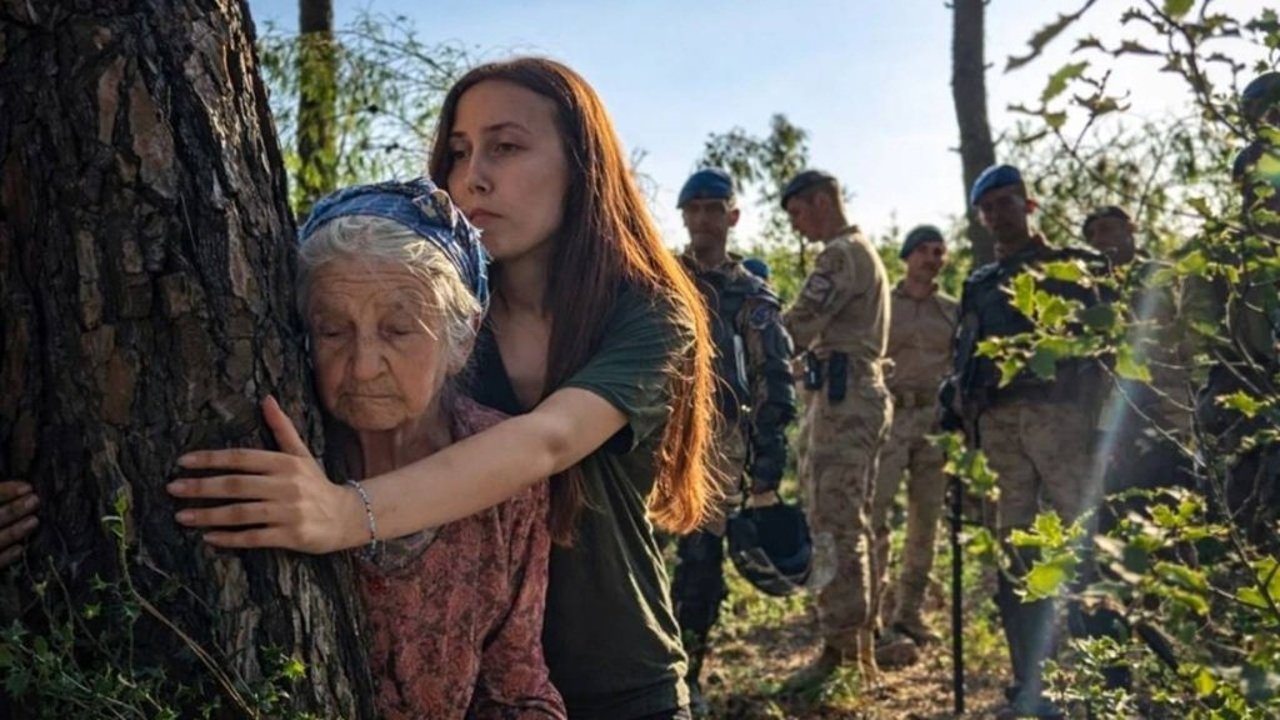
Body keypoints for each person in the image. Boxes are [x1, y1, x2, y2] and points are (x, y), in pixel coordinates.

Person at [168, 57, 719, 720]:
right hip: (464, 685)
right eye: (458, 152)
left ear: (582, 166)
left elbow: (548, 442)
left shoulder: (646, 312)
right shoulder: (428, 308)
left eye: (505, 147)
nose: (473, 176)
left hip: (618, 683)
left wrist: (345, 515)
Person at [292, 179, 563, 718]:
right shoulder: (294, 450)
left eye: (398, 330)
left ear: (462, 337)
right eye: (332, 331)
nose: (363, 367)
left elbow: (515, 685)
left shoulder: (504, 469)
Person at [942, 164, 1110, 719]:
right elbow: (965, 355)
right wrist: (953, 401)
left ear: (1029, 205)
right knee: (1016, 552)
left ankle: (1109, 673)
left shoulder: (1074, 267)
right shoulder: (979, 284)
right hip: (999, 430)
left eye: (1007, 203)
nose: (998, 215)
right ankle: (1031, 681)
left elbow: (1105, 347)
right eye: (988, 208)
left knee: (1086, 542)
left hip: (1061, 418)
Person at [669, 168, 796, 705]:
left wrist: (767, 463)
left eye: (713, 210)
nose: (702, 219)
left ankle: (686, 675)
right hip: (653, 434)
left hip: (717, 443)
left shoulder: (750, 295)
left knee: (699, 563)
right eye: (694, 209)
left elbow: (774, 379)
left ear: (732, 217)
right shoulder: (660, 278)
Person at [777, 169, 892, 689]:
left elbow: (798, 325)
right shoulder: (860, 250)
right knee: (851, 520)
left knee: (833, 522)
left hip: (844, 401)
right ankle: (858, 642)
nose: (796, 226)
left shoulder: (840, 255)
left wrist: (750, 347)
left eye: (798, 212)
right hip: (848, 392)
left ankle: (843, 652)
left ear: (822, 201)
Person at [868, 225, 957, 667]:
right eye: (923, 250)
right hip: (889, 417)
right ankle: (870, 613)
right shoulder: (882, 304)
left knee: (927, 521)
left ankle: (909, 612)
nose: (931, 259)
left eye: (938, 252)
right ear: (906, 256)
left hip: (933, 422)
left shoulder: (952, 311)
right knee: (875, 515)